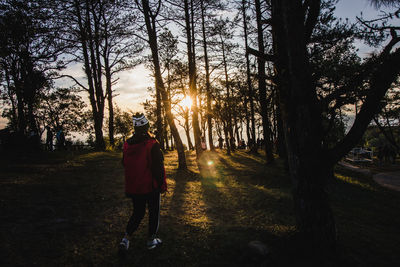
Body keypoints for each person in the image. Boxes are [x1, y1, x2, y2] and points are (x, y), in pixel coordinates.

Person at [119, 113, 167, 253]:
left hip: (134, 187)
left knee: (138, 213)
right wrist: (161, 186)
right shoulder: (152, 144)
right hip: (150, 187)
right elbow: (158, 169)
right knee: (154, 212)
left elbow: (124, 163)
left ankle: (126, 239)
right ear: (147, 126)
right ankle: (151, 241)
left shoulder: (127, 144)